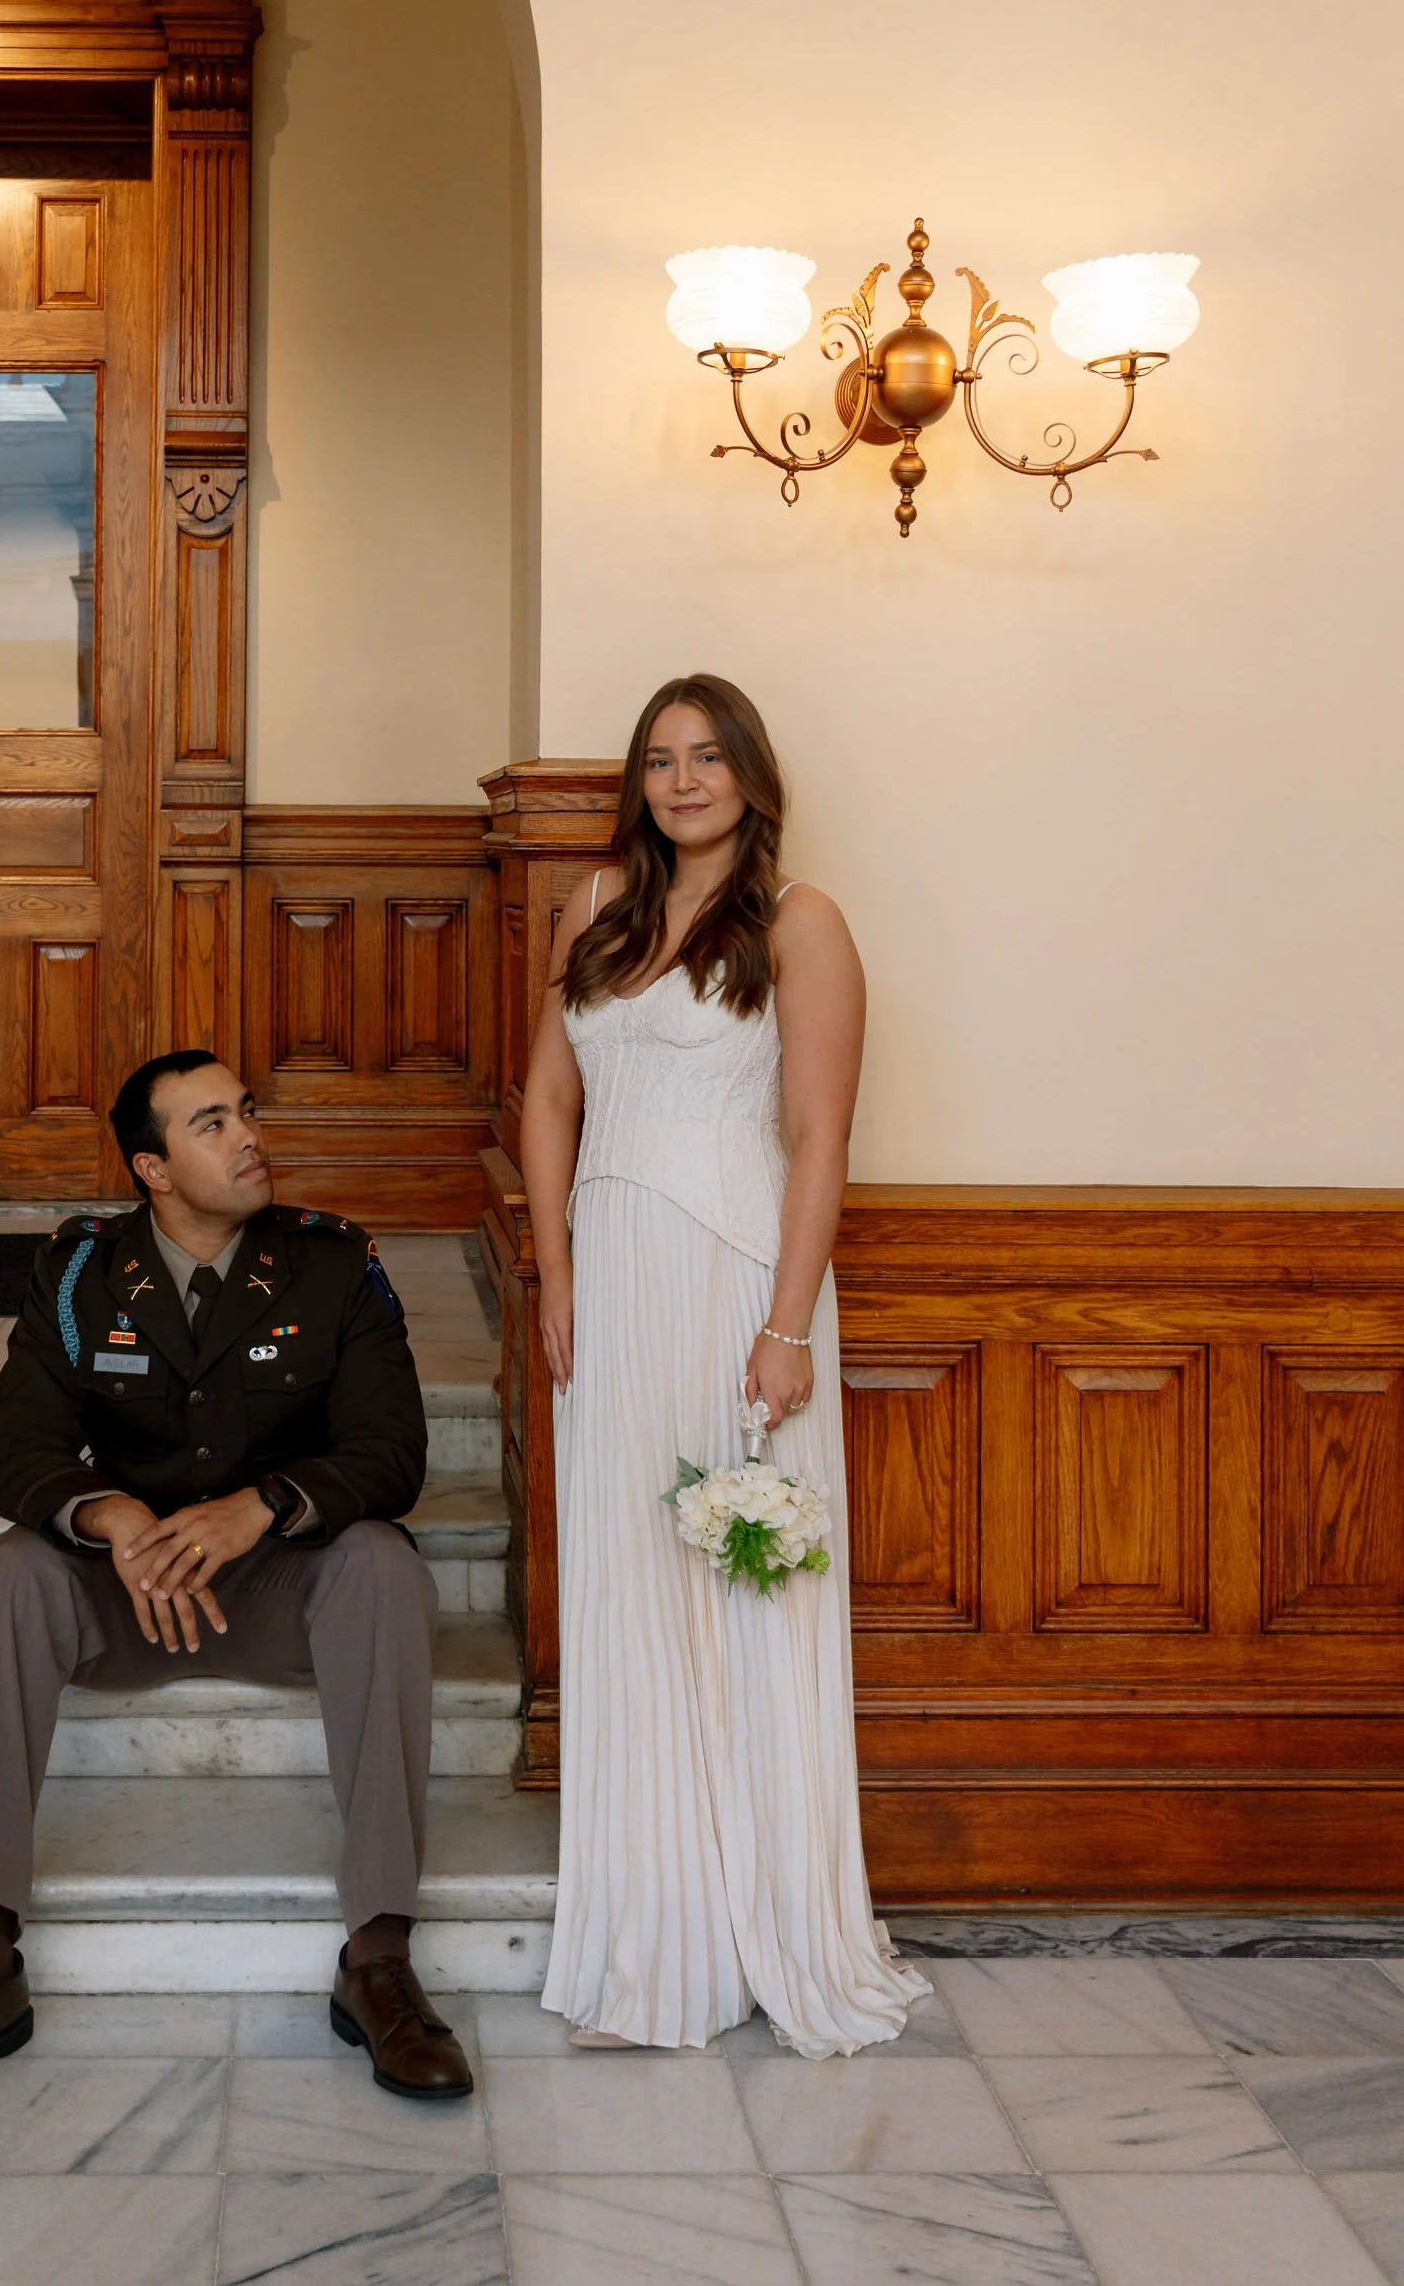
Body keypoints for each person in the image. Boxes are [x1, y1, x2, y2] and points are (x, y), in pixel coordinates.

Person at [0, 1050, 474, 2109]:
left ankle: (377, 1956)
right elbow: (17, 1447)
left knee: (379, 1567)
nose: (246, 1137)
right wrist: (110, 1515)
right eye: (209, 1124)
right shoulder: (77, 1275)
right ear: (150, 1166)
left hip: (287, 1590)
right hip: (128, 1593)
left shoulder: (331, 1266)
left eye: (244, 1111)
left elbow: (390, 1454)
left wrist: (262, 1506)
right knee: (11, 1575)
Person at [521, 673, 929, 2055]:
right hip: (615, 1284)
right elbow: (547, 1096)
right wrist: (557, 1274)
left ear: (752, 774)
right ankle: (656, 1927)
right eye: (657, 760)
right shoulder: (591, 910)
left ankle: (771, 1919)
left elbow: (821, 1137)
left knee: (741, 1589)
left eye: (706, 757)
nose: (681, 780)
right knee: (633, 1580)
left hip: (739, 1280)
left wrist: (787, 1324)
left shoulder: (802, 923)